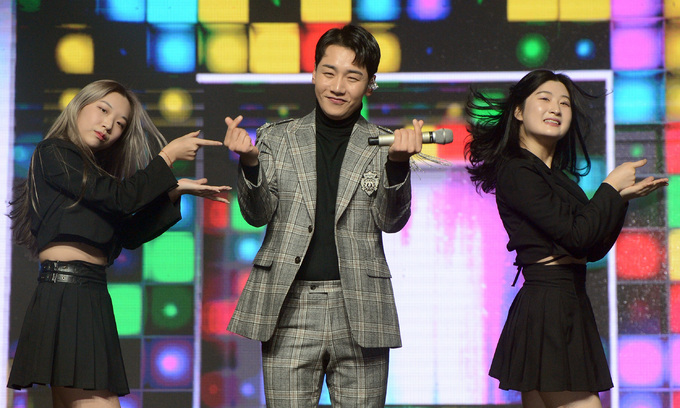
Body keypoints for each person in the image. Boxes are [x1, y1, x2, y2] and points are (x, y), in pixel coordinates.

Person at [223, 24, 425, 407]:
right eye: (329, 72)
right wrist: (249, 163)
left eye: (352, 77)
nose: (337, 86)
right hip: (289, 304)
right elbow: (256, 214)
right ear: (314, 73)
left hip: (361, 305)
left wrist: (398, 164)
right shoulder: (276, 138)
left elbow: (391, 221)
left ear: (370, 84)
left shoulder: (385, 144)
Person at [7, 79, 229, 408]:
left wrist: (175, 191)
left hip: (89, 294)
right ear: (79, 106)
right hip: (68, 293)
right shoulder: (53, 152)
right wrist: (167, 157)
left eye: (120, 123)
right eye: (103, 110)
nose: (108, 125)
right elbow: (121, 199)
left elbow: (128, 234)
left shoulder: (94, 178)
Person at [465, 69, 668, 408]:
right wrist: (609, 187)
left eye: (564, 103)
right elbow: (577, 238)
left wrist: (618, 199)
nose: (556, 109)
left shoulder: (557, 179)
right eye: (544, 99)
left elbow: (592, 246)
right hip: (549, 307)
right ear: (519, 111)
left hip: (565, 304)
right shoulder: (518, 170)